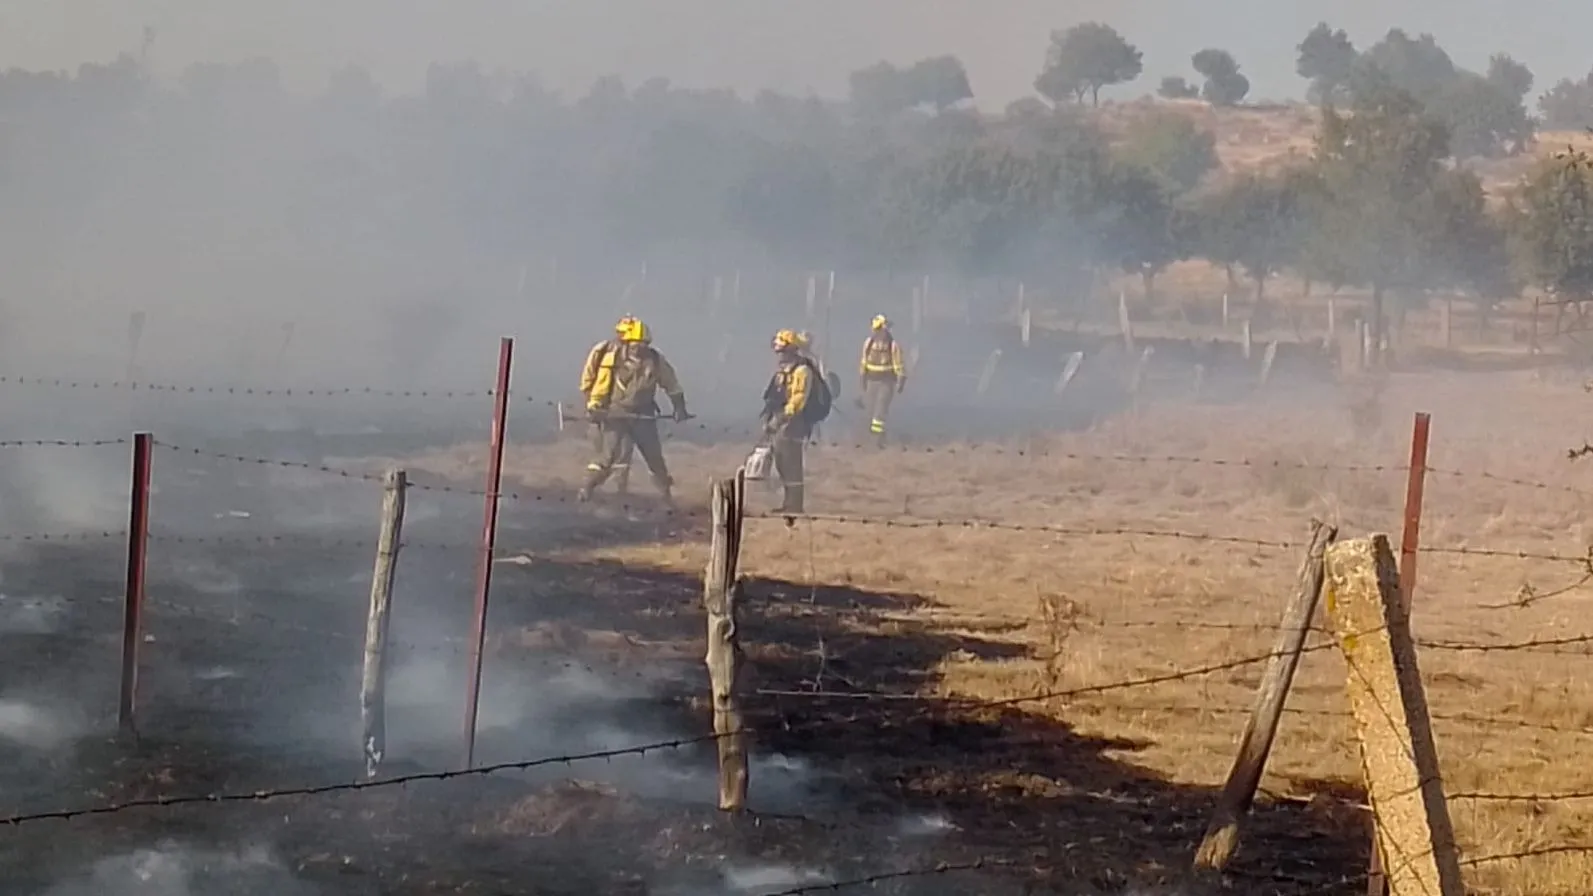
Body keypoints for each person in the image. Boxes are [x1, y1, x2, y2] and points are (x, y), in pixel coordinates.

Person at [577, 316, 689, 505]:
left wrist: (679, 407)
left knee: (654, 459)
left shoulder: (655, 360)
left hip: (644, 416)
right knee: (607, 458)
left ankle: (666, 499)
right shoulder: (611, 358)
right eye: (635, 345)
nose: (639, 349)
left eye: (643, 345)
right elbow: (600, 387)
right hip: (615, 414)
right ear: (626, 343)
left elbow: (671, 384)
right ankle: (586, 489)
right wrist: (594, 407)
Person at [761, 329, 814, 514]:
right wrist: (769, 418)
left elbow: (798, 399)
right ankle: (788, 502)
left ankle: (795, 506)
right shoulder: (783, 370)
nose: (779, 355)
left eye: (782, 351)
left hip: (793, 423)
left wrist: (782, 418)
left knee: (792, 464)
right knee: (781, 463)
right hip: (780, 420)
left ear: (791, 350)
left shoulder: (802, 371)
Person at [858, 314, 907, 445]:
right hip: (871, 381)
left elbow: (898, 364)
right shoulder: (868, 343)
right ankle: (872, 436)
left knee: (880, 410)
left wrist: (901, 380)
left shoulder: (893, 345)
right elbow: (863, 362)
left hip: (886, 382)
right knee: (870, 409)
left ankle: (877, 439)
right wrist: (862, 379)